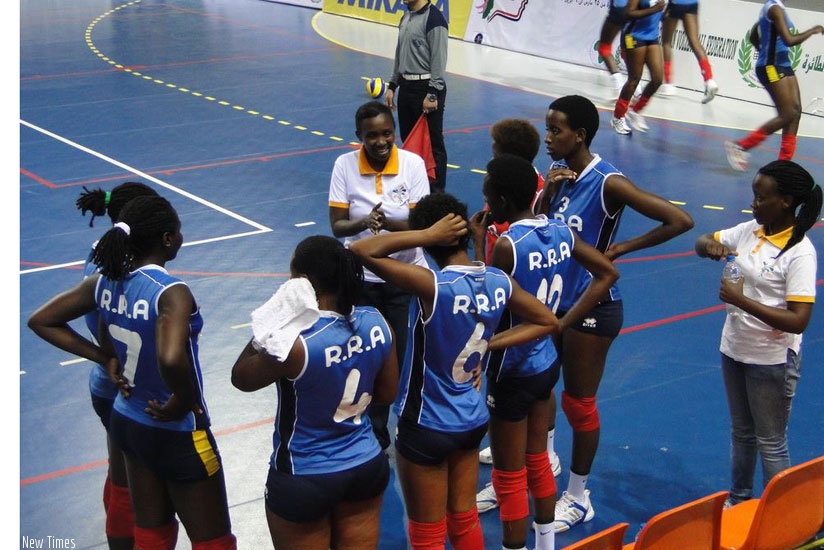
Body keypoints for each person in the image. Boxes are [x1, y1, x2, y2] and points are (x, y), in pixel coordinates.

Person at [350, 193, 560, 550]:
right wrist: (487, 345)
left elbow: (362, 251)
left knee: (429, 532)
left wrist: (424, 235)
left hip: (426, 422)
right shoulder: (498, 280)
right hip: (470, 420)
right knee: (464, 520)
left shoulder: (433, 286)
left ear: (436, 236)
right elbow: (547, 319)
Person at [28, 195, 237, 550]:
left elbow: (42, 320)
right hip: (177, 430)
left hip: (127, 419)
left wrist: (101, 356)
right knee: (214, 540)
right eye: (180, 231)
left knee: (151, 533)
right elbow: (171, 358)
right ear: (168, 239)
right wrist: (183, 400)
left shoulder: (102, 282)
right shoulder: (170, 291)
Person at [538, 95, 694, 532]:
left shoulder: (608, 182)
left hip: (593, 307)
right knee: (541, 387)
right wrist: (548, 192)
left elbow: (679, 220)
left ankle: (578, 495)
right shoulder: (560, 177)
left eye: (556, 130)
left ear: (580, 135)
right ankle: (545, 459)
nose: (547, 138)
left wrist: (623, 247)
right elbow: (540, 228)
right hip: (554, 303)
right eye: (547, 129)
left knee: (579, 403)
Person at [474, 155, 620, 550]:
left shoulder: (506, 246)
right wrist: (565, 319)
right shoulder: (560, 230)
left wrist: (476, 243)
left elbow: (486, 302)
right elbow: (608, 272)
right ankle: (544, 544)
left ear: (500, 202)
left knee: (507, 473)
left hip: (511, 367)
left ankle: (513, 546)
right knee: (538, 458)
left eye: (489, 196)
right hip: (545, 361)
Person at [231, 235, 399, 550]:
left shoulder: (295, 343)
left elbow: (240, 376)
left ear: (300, 284)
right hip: (364, 463)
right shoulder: (377, 322)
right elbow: (387, 394)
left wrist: (276, 318)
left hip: (304, 474)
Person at [694, 160, 821, 506]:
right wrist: (710, 246)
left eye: (761, 198)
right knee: (742, 433)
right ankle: (741, 501)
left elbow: (798, 320)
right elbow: (702, 240)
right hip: (735, 348)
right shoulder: (751, 230)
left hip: (772, 360)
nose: (753, 203)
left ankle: (782, 515)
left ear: (785, 201)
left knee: (771, 441)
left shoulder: (799, 253)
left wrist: (742, 300)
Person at [329, 100, 430, 452]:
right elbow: (337, 225)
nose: (381, 140)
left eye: (387, 133)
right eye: (372, 135)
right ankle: (372, 428)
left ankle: (396, 420)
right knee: (365, 352)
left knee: (399, 355)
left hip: (403, 276)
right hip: (361, 278)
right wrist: (363, 222)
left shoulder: (412, 164)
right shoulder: (344, 166)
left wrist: (386, 224)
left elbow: (421, 224)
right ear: (359, 136)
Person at [74, 182, 158, 550]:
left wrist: (101, 355)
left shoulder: (101, 253)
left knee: (118, 467)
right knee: (137, 481)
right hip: (131, 388)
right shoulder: (132, 273)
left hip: (105, 383)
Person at [724, 1, 823, 171]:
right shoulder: (775, 9)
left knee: (796, 112)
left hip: (783, 63)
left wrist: (763, 50)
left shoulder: (776, 7)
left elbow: (754, 35)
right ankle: (740, 146)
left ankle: (783, 164)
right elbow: (789, 40)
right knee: (786, 114)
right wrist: (813, 31)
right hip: (771, 66)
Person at [384, 0, 449, 192]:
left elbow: (439, 58)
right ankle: (415, 188)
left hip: (425, 88)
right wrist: (393, 84)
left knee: (432, 144)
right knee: (409, 140)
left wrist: (433, 93)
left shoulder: (435, 19)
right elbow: (400, 53)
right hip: (406, 86)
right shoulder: (406, 16)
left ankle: (436, 194)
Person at [472, 118, 545, 265]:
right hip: (494, 276)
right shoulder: (501, 184)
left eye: (496, 155)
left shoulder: (540, 197)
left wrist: (478, 245)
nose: (492, 160)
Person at [610, 0, 667, 135]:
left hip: (652, 36)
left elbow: (661, 12)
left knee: (657, 79)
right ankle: (618, 117)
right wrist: (654, 10)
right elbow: (629, 13)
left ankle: (635, 110)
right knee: (634, 79)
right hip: (633, 35)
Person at [660, 0, 719, 103]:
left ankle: (668, 84)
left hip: (676, 3)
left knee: (666, 42)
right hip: (692, 3)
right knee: (695, 41)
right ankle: (709, 80)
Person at [597, 0, 630, 100]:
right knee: (627, 49)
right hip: (635, 12)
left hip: (619, 9)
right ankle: (635, 88)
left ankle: (619, 84)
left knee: (604, 47)